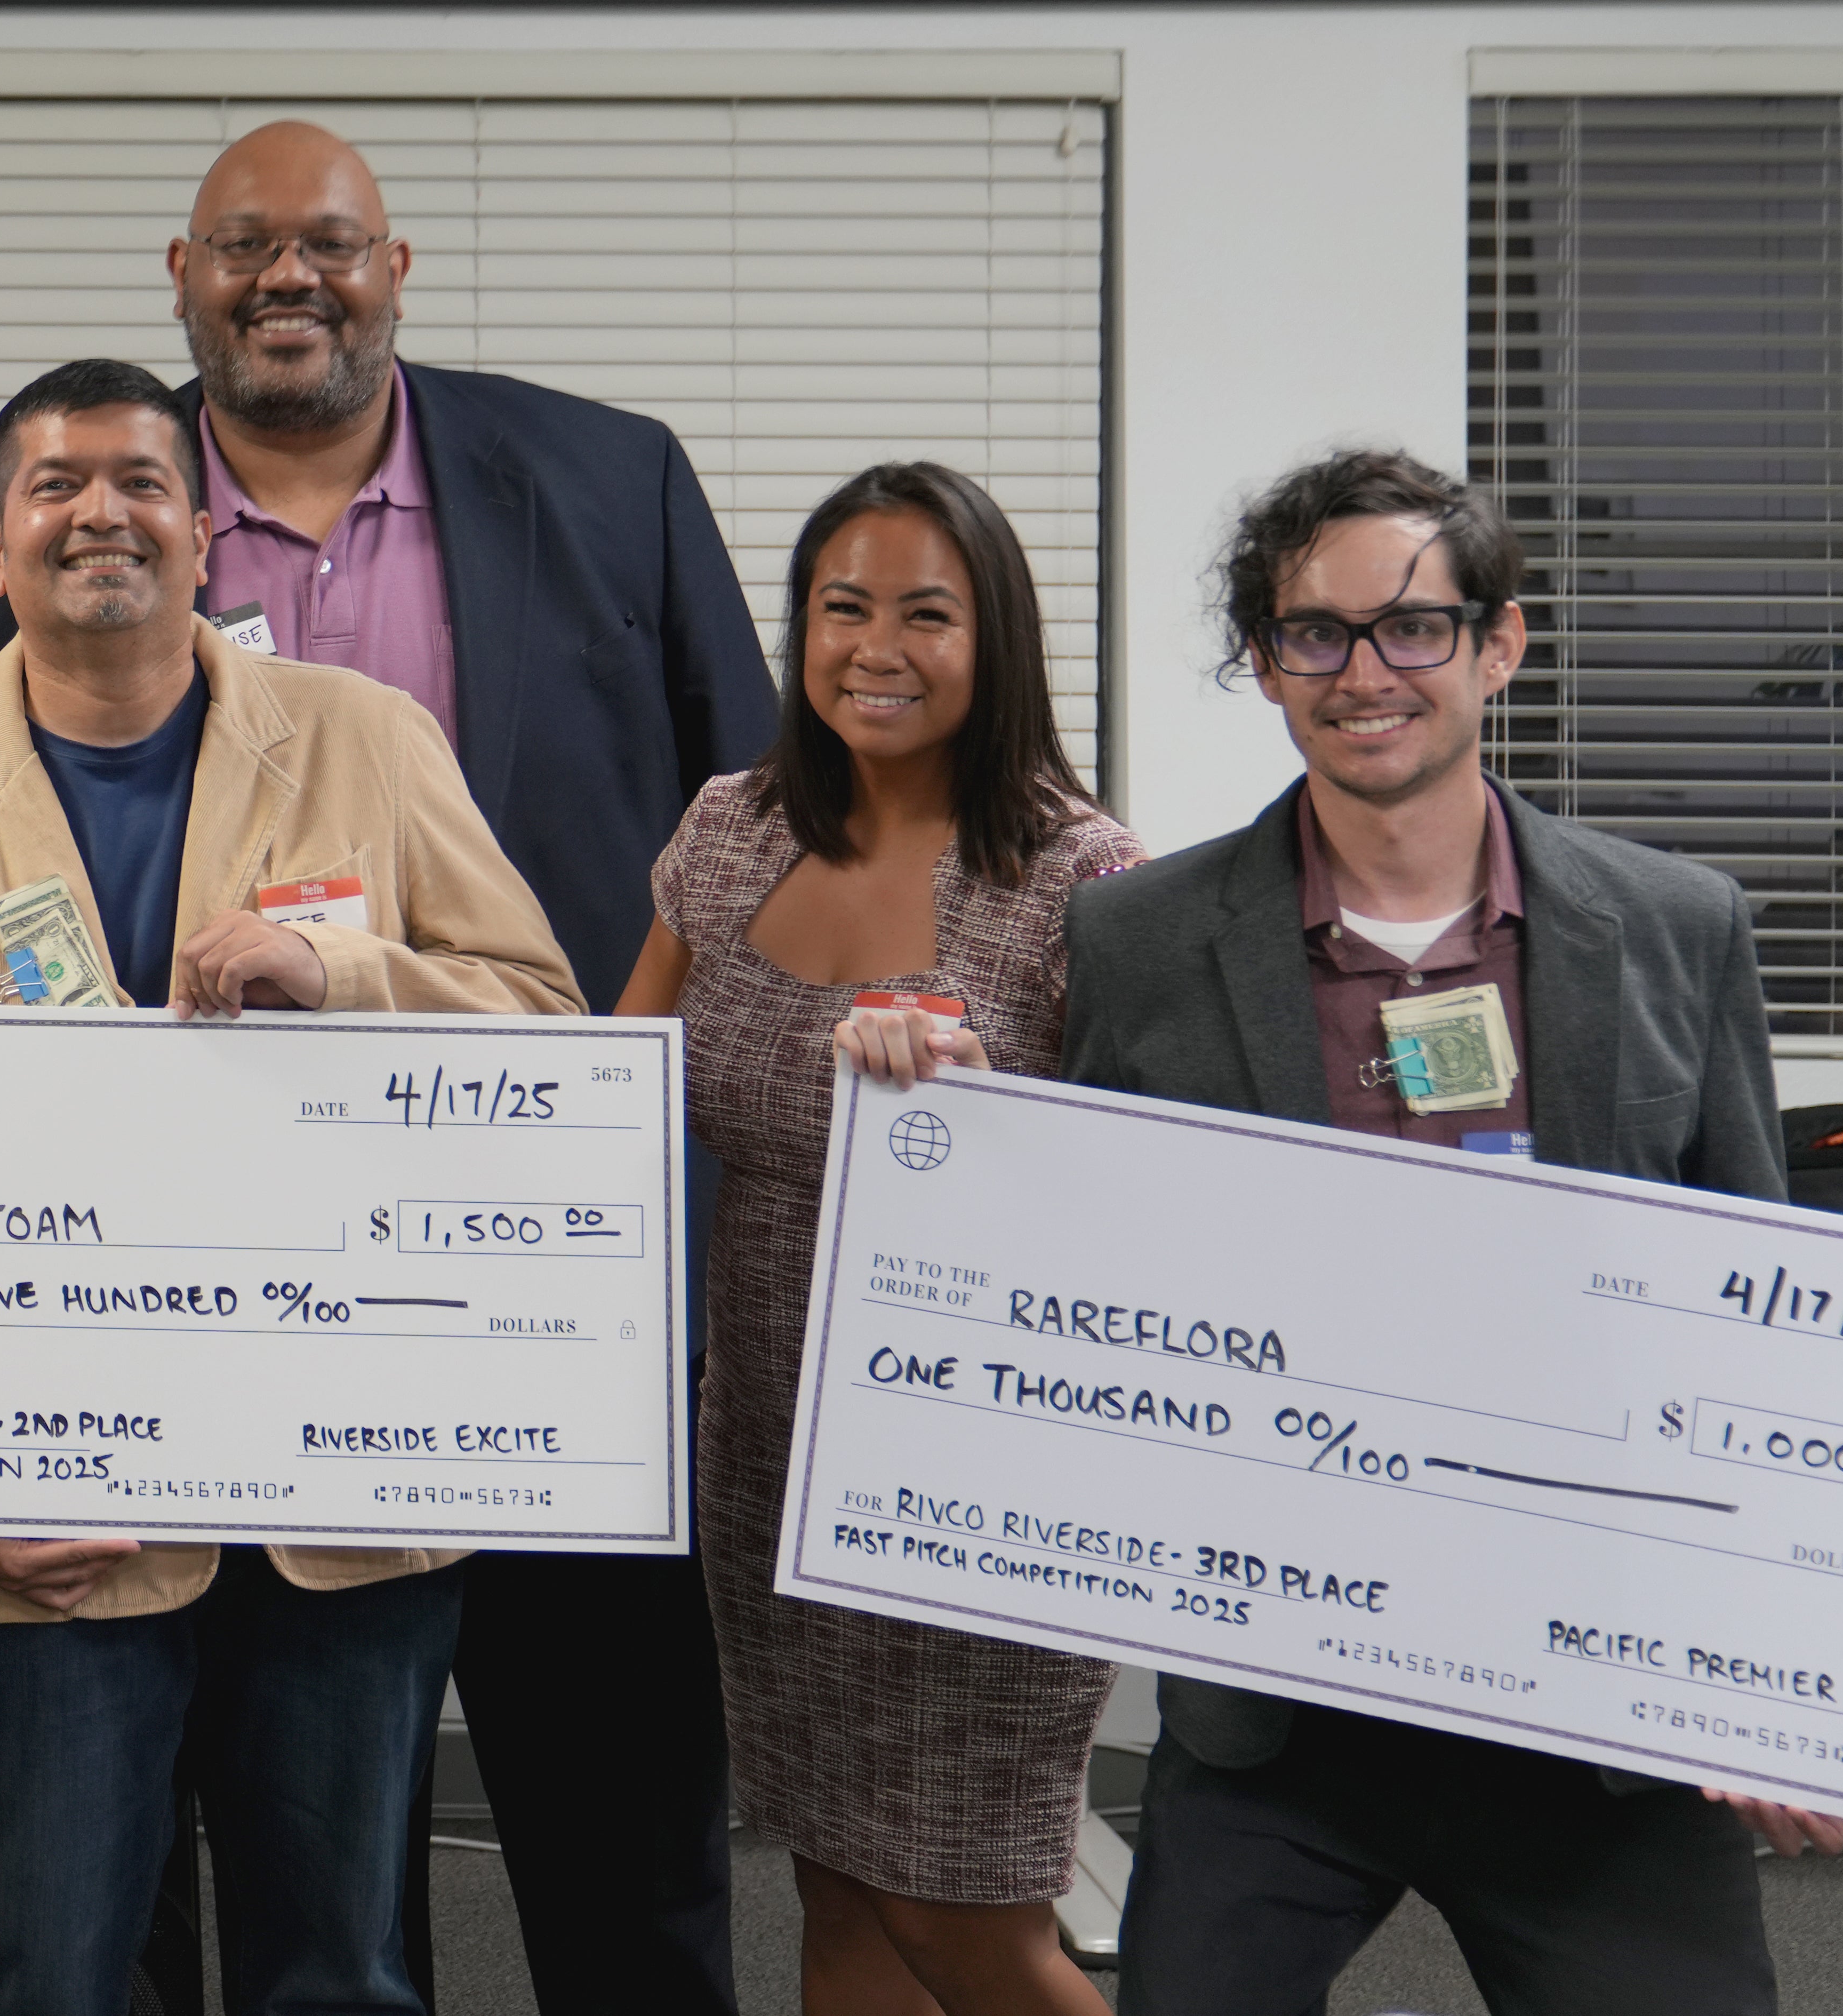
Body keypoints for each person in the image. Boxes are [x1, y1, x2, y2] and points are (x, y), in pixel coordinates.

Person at [0, 118, 773, 2011]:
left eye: (324, 245)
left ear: (393, 267)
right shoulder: (63, 500)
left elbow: (751, 824)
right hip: (147, 1311)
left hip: (521, 1289)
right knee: (188, 1879)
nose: (284, 279)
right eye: (238, 247)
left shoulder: (606, 482)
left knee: (612, 1825)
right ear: (177, 273)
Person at [0, 358, 574, 2016]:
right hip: (43, 1520)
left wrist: (337, 969)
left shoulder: (370, 740)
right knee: (43, 1975)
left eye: (139, 482)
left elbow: (542, 1033)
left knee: (333, 1977)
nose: (100, 513)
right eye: (53, 487)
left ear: (203, 533)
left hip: (335, 1506)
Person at [1067, 447, 1843, 2015]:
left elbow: (1753, 1317)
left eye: (1410, 626)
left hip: (1593, 1712)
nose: (1362, 674)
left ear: (1497, 644)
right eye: (1311, 635)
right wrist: (925, 1068)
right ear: (1265, 667)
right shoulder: (1136, 939)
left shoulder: (1675, 928)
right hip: (1284, 1709)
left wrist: (1773, 1684)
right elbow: (1077, 1263)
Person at [608, 464, 1140, 2016]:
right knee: (835, 1889)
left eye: (925, 612)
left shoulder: (1074, 874)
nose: (874, 646)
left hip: (980, 1464)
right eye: (841, 607)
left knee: (962, 1920)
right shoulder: (729, 829)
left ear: (995, 640)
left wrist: (986, 1122)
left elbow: (1145, 1202)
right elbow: (612, 1090)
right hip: (767, 1443)